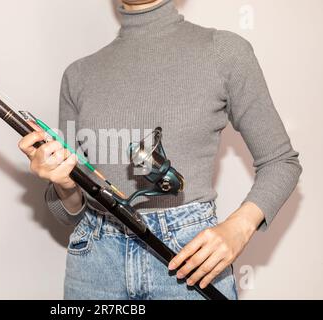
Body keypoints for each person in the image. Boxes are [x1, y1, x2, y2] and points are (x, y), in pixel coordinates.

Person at [18, 0, 302, 299]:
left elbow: (281, 161)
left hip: (190, 261)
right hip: (96, 262)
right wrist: (63, 184)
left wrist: (239, 227)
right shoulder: (78, 75)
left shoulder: (224, 51)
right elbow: (71, 213)